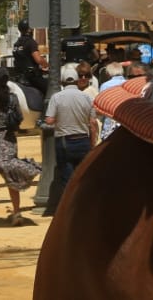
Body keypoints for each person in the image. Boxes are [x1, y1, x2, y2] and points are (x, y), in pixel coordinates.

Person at [0, 67, 41, 224]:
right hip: (7, 140)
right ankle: (16, 212)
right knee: (11, 176)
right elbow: (19, 117)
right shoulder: (12, 98)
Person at [41, 63, 98, 216]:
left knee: (67, 179)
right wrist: (92, 143)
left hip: (64, 141)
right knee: (83, 177)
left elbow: (49, 121)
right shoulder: (86, 97)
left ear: (62, 82)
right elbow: (93, 123)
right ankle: (84, 209)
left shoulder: (56, 97)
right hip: (83, 141)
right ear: (76, 80)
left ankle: (69, 212)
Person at [12, 23, 46, 109]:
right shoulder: (31, 42)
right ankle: (45, 114)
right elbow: (38, 59)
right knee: (50, 88)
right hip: (31, 76)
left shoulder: (16, 44)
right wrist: (46, 63)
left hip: (18, 75)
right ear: (29, 30)